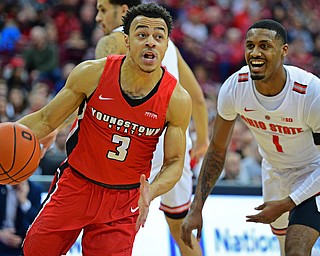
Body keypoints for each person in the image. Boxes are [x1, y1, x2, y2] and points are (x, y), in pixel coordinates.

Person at [17, 3, 192, 256]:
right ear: (127, 41)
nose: (151, 42)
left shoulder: (176, 99)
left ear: (166, 45)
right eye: (142, 35)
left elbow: (175, 161)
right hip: (76, 185)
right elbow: (45, 119)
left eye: (158, 37)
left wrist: (151, 191)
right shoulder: (93, 73)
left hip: (123, 202)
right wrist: (7, 131)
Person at [181, 19, 320, 256]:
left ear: (283, 50)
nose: (255, 53)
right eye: (250, 45)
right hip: (274, 172)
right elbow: (216, 150)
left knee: (297, 250)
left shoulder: (310, 92)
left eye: (264, 46)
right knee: (285, 251)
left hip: (312, 173)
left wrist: (289, 202)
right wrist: (196, 207)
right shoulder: (235, 87)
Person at [95, 1, 209, 255]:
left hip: (138, 145)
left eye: (102, 9)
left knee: (116, 229)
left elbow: (97, 97)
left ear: (123, 10)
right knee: (181, 229)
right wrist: (202, 141)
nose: (97, 17)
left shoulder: (112, 43)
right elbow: (198, 97)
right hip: (177, 148)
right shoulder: (166, 43)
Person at [0, 180, 42, 256]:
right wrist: (1, 235)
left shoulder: (35, 189)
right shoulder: (1, 185)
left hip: (23, 245)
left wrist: (24, 202)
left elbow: (38, 223)